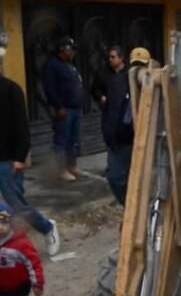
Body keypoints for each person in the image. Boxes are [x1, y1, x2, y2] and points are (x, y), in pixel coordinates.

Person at [0, 45, 61, 256]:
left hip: (5, 160)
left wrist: (19, 158)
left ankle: (48, 227)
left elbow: (21, 126)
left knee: (17, 206)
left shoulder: (11, 90)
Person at [91, 46, 149, 204]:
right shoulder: (106, 75)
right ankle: (129, 205)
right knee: (116, 177)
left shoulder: (139, 81)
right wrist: (101, 98)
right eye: (109, 57)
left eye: (113, 57)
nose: (110, 60)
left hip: (134, 137)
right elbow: (95, 89)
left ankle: (135, 207)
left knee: (134, 176)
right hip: (116, 135)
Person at [0, 204, 45, 296]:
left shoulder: (22, 244)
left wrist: (37, 283)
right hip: (0, 284)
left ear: (10, 222)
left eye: (3, 223)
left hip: (19, 285)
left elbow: (34, 263)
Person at [41, 37, 84, 182]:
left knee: (73, 139)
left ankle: (71, 165)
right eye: (70, 49)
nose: (73, 53)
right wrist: (58, 106)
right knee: (61, 140)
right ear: (62, 50)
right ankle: (60, 170)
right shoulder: (53, 65)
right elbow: (50, 88)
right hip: (64, 109)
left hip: (75, 108)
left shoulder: (70, 65)